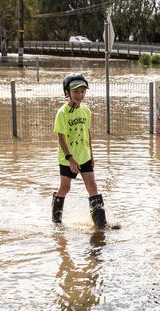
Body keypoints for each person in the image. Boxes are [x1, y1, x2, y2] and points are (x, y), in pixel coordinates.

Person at [52, 73, 107, 228]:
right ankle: (56, 221)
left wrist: (92, 156)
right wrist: (70, 158)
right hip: (67, 158)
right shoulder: (62, 113)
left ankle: (101, 225)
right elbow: (61, 137)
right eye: (76, 91)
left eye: (83, 91)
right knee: (65, 188)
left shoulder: (86, 111)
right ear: (67, 93)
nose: (80, 95)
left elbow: (87, 133)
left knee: (92, 186)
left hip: (84, 156)